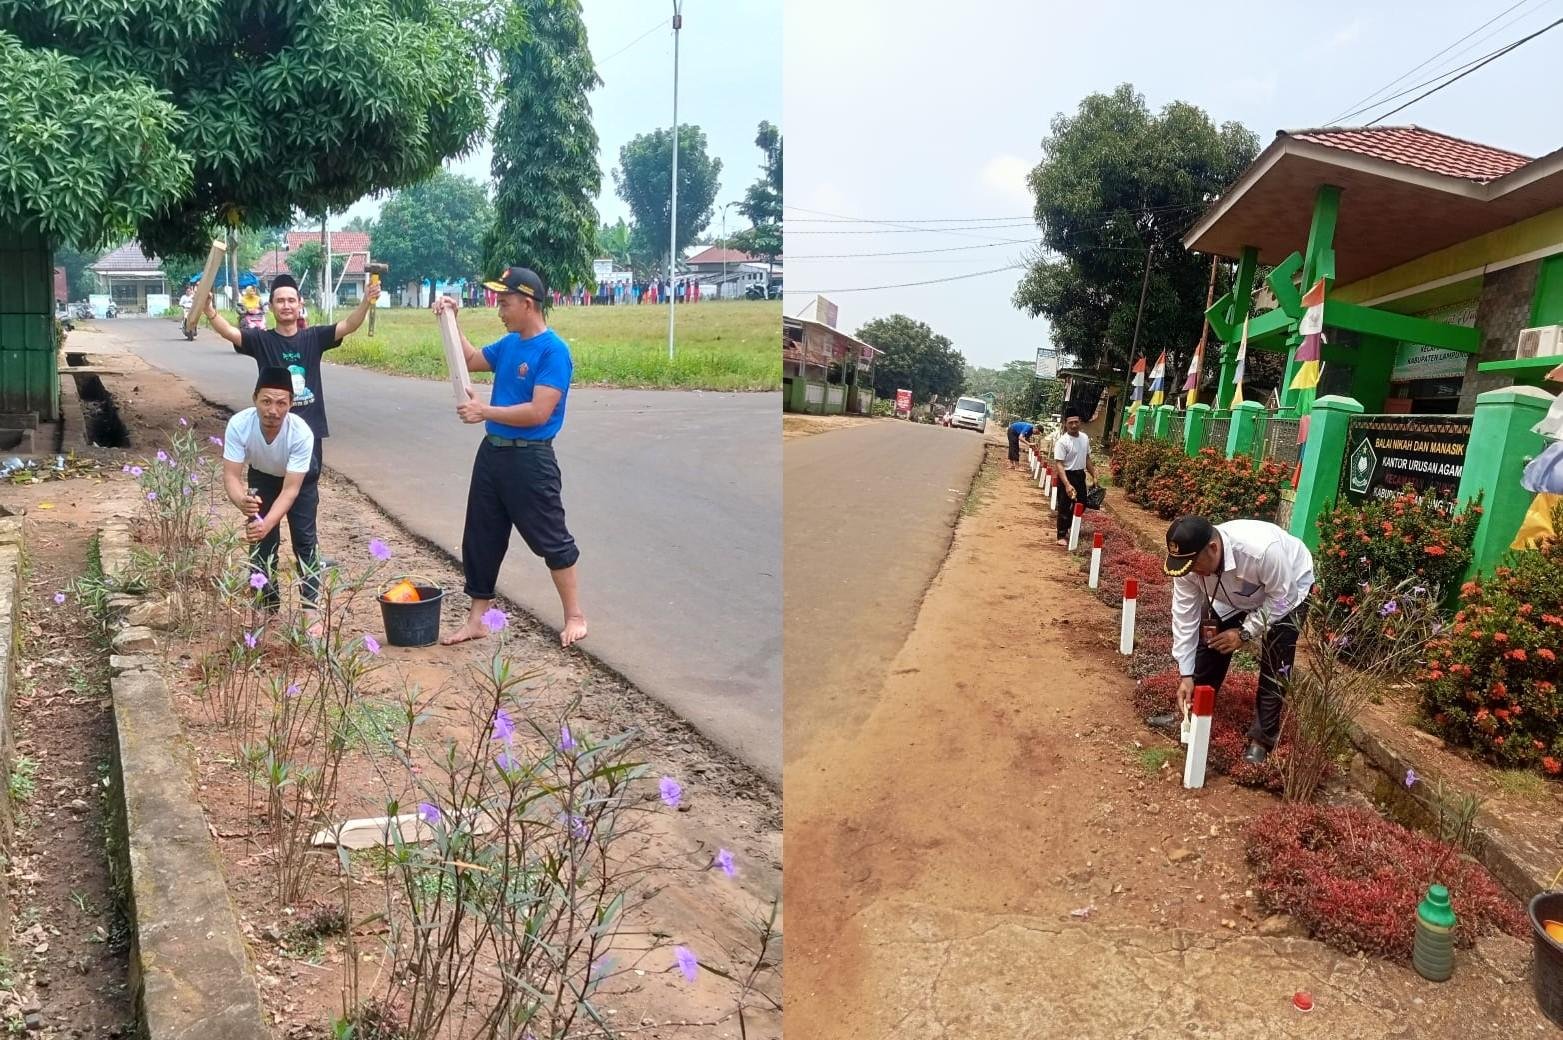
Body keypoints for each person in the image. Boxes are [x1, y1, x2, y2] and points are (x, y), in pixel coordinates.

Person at [436, 265, 587, 649]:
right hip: (493, 455)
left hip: (531, 460)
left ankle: (575, 616)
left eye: (504, 303)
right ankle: (477, 620)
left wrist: (485, 411)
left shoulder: (553, 351)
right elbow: (469, 359)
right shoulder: (509, 344)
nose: (499, 310)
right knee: (481, 536)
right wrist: (452, 319)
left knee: (550, 538)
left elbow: (539, 412)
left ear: (528, 303)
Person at [1150, 515, 1316, 765]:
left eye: (1195, 565)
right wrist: (1185, 674)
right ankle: (1191, 714)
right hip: (1234, 592)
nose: (1192, 573)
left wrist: (1245, 632)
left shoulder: (1261, 552)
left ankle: (1262, 739)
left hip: (1288, 591)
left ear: (1213, 548)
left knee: (1276, 660)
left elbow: (1282, 598)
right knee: (1210, 645)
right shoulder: (1186, 564)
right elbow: (1184, 618)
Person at [204, 272, 380, 480]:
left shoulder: (315, 337)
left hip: (309, 432)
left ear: (300, 304)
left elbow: (349, 325)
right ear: (270, 306)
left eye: (291, 300)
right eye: (280, 301)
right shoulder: (261, 340)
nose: (286, 305)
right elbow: (230, 332)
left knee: (304, 498)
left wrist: (366, 302)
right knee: (266, 494)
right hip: (271, 430)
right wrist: (209, 311)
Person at [221, 366, 322, 625]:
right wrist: (242, 501)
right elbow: (231, 476)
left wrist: (268, 523)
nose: (273, 411)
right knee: (261, 542)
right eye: (266, 401)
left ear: (291, 403)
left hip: (299, 481)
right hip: (261, 476)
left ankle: (310, 608)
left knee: (305, 540)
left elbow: (290, 491)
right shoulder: (239, 425)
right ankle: (266, 604)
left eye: (281, 403)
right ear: (254, 398)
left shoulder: (301, 433)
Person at [1051, 409, 1096, 546]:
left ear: (1080, 422)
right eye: (1071, 423)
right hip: (1066, 475)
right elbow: (1059, 464)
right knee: (1064, 505)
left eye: (1076, 422)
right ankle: (1061, 535)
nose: (1074, 425)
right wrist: (1067, 484)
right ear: (1066, 424)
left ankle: (1070, 525)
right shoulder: (1062, 442)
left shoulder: (1084, 438)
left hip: (1079, 475)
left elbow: (1086, 458)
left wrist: (1094, 474)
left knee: (1081, 503)